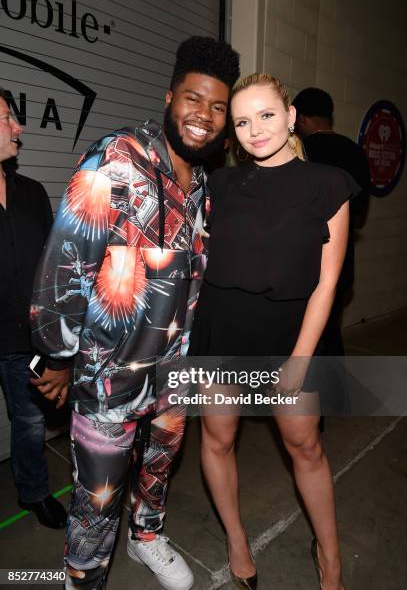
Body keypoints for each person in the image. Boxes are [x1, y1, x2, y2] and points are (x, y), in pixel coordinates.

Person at [30, 37, 240, 590]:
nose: (205, 116)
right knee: (96, 506)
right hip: (110, 377)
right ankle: (85, 580)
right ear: (170, 97)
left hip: (173, 373)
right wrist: (55, 353)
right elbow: (65, 263)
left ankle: (147, 537)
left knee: (158, 472)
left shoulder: (203, 186)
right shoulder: (116, 158)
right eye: (195, 99)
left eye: (218, 107)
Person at [189, 74, 360, 589]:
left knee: (304, 445)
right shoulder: (217, 185)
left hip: (291, 338)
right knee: (218, 437)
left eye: (266, 115)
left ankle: (329, 556)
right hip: (222, 332)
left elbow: (327, 284)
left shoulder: (328, 184)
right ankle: (237, 540)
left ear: (290, 118)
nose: (254, 129)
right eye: (241, 121)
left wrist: (301, 359)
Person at [0, 87, 67, 528]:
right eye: (6, 118)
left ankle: (34, 492)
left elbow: (55, 267)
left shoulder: (31, 191)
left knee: (27, 422)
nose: (17, 127)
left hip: (25, 338)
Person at [292, 87, 370, 355]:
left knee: (302, 339)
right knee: (330, 335)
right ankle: (335, 395)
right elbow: (359, 215)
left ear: (300, 117)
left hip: (303, 263)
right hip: (342, 261)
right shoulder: (355, 151)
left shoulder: (298, 151)